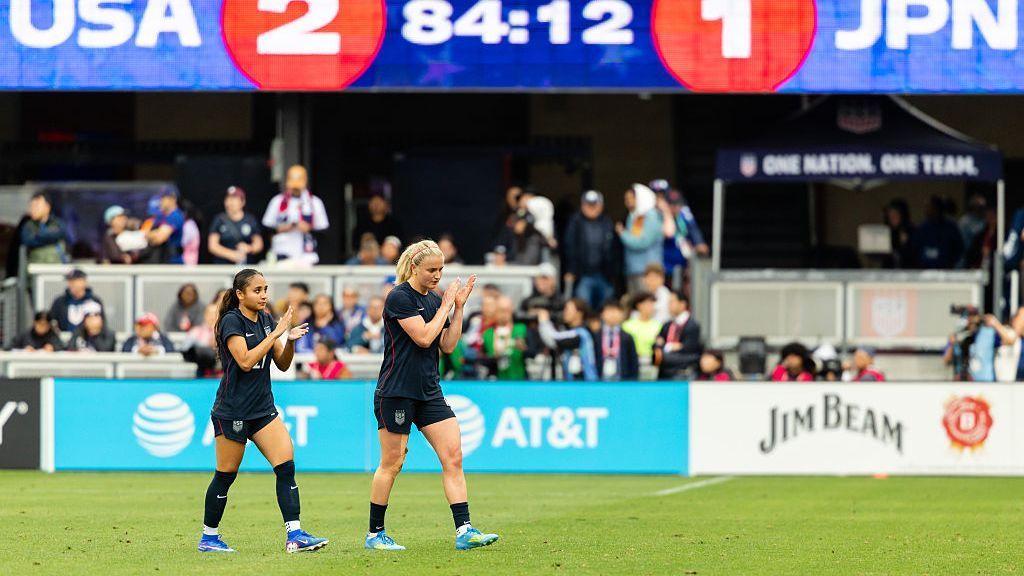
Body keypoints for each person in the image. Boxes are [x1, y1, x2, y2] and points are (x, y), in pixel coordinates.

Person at [367, 239, 498, 551]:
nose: (438, 275)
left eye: (441, 269)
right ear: (414, 268)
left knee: (453, 457)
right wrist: (445, 306)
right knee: (393, 462)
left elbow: (448, 345)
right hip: (397, 392)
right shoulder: (400, 297)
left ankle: (464, 530)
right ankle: (375, 534)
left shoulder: (435, 299)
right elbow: (425, 338)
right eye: (431, 270)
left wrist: (460, 306)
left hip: (428, 392)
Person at [198, 268, 328, 554]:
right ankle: (209, 537)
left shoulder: (267, 319)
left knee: (286, 465)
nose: (263, 295)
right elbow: (244, 361)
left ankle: (295, 535)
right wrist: (276, 335)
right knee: (225, 475)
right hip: (232, 410)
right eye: (257, 290)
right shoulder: (231, 321)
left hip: (262, 409)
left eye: (266, 289)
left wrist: (289, 340)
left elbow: (281, 363)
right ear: (240, 294)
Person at [562, 190, 618, 311]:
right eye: (588, 204)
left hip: (604, 274)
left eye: (595, 204)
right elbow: (569, 247)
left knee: (606, 307)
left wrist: (614, 271)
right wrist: (570, 270)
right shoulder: (575, 222)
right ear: (582, 205)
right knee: (583, 307)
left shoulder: (607, 222)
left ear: (601, 206)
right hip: (583, 274)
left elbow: (614, 249)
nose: (591, 208)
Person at [263, 165, 329, 265]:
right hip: (281, 255)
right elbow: (265, 228)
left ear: (305, 182)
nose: (295, 189)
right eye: (293, 186)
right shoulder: (277, 201)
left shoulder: (314, 202)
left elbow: (324, 232)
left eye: (298, 186)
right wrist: (280, 229)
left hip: (307, 257)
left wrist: (309, 229)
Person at [655, 183, 709, 290]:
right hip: (665, 264)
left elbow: (694, 230)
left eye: (677, 204)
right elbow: (668, 234)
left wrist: (699, 243)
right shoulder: (659, 215)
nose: (675, 208)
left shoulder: (684, 215)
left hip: (682, 263)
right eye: (671, 204)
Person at [536, 299, 598, 381]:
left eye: (567, 309)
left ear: (579, 313)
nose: (564, 312)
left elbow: (553, 339)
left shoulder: (581, 334)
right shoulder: (574, 332)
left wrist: (544, 321)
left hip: (584, 384)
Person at [618, 184, 664, 294]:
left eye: (631, 198)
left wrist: (622, 234)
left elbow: (643, 241)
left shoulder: (651, 216)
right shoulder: (633, 216)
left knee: (647, 302)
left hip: (647, 270)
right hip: (633, 269)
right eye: (626, 199)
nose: (628, 202)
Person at [208, 186, 264, 265]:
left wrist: (248, 248)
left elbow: (258, 244)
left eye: (234, 198)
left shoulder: (250, 220)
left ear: (243, 202)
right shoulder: (219, 220)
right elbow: (213, 246)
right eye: (228, 198)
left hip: (245, 268)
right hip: (223, 266)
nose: (230, 202)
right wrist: (231, 254)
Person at [653, 291, 701, 380]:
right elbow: (656, 345)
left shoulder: (692, 326)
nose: (668, 305)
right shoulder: (667, 325)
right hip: (664, 373)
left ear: (682, 304)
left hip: (683, 373)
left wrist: (666, 346)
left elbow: (688, 349)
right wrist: (670, 346)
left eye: (671, 302)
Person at [481, 295, 528, 380]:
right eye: (501, 310)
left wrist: (524, 348)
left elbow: (533, 353)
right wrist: (493, 358)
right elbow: (481, 359)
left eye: (507, 310)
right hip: (495, 379)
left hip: (519, 379)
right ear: (495, 311)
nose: (504, 314)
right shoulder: (487, 334)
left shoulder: (522, 329)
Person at [910, 195, 964, 269]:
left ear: (937, 208)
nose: (926, 210)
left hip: (945, 271)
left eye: (930, 207)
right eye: (926, 207)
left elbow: (959, 249)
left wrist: (950, 263)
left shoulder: (951, 227)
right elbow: (914, 250)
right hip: (924, 271)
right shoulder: (921, 229)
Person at [593, 300, 639, 381]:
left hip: (622, 381)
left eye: (616, 311)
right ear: (602, 314)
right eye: (609, 311)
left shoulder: (627, 337)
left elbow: (633, 362)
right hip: (599, 380)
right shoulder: (595, 336)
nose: (613, 314)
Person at [49, 268, 105, 333]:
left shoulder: (94, 301)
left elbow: (102, 325)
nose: (71, 284)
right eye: (69, 281)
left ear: (83, 281)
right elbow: (52, 321)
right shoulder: (60, 302)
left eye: (74, 281)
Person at [21, 192, 68, 264]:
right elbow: (28, 241)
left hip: (56, 268)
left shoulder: (57, 223)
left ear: (47, 207)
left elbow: (59, 234)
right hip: (35, 269)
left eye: (37, 206)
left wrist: (38, 235)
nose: (33, 209)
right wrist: (50, 238)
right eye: (32, 206)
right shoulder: (28, 226)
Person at [142, 189, 186, 264]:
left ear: (172, 199)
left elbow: (159, 238)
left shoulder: (175, 216)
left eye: (163, 199)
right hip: (164, 259)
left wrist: (148, 235)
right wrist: (152, 234)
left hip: (174, 261)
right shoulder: (163, 216)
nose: (160, 202)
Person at [622, 292, 663, 360]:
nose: (651, 307)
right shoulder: (627, 326)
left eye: (652, 304)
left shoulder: (658, 326)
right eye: (648, 304)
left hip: (653, 362)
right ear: (639, 305)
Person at [882, 198, 913, 269]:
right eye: (890, 215)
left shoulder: (912, 232)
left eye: (895, 215)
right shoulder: (888, 233)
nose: (892, 218)